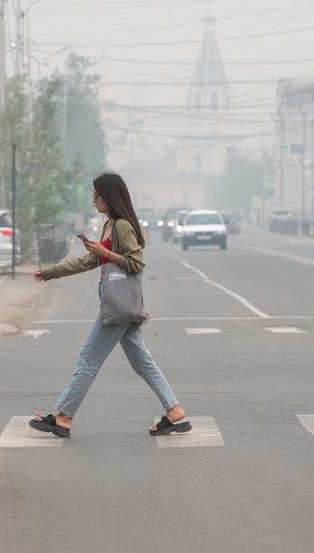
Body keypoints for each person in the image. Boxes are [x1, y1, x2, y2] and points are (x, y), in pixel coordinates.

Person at [28, 172, 191, 438]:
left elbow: (136, 262)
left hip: (118, 305)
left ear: (110, 196)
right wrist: (49, 272)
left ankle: (64, 417)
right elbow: (87, 262)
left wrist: (105, 252)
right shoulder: (109, 225)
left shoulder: (122, 226)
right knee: (142, 361)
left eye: (97, 195)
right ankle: (174, 411)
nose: (93, 199)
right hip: (120, 304)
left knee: (88, 359)